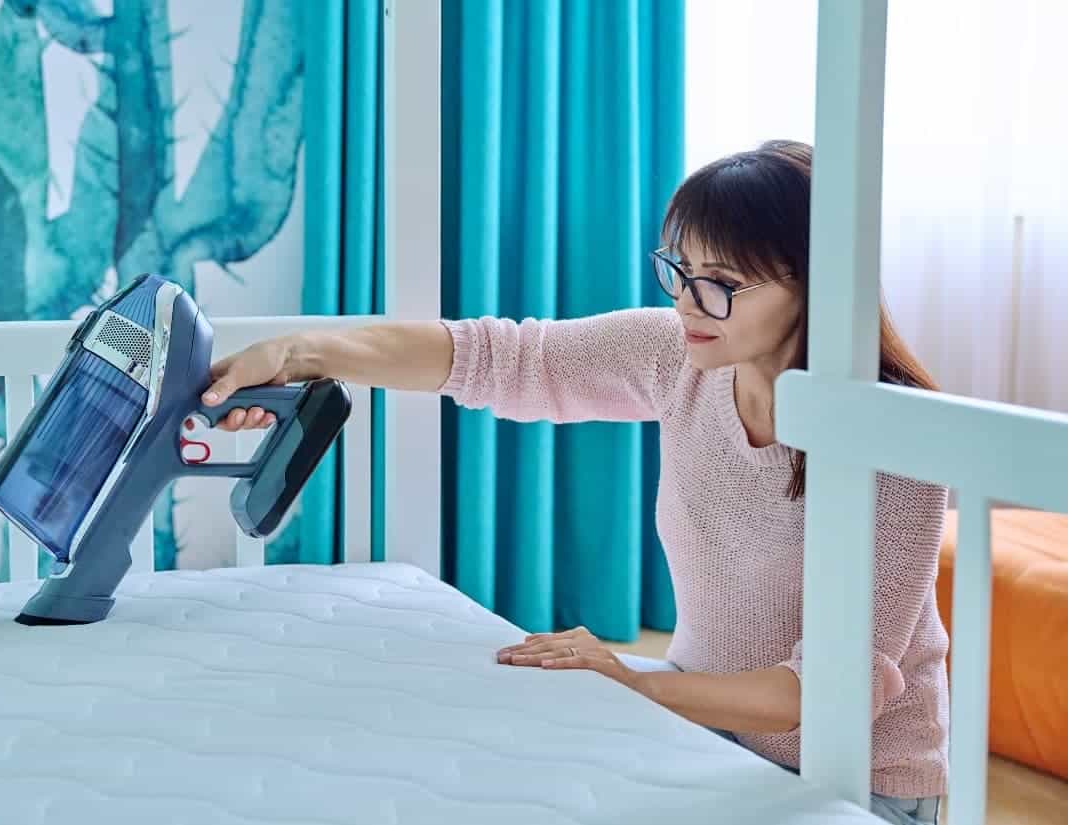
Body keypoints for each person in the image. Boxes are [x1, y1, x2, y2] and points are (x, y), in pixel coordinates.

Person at [201, 140, 948, 825]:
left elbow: (828, 695)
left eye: (721, 283)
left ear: (813, 285)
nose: (687, 302)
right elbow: (495, 356)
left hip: (859, 779)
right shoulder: (682, 355)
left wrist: (634, 681)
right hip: (705, 727)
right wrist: (298, 353)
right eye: (679, 271)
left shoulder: (895, 438)